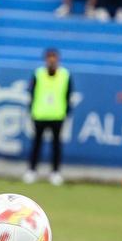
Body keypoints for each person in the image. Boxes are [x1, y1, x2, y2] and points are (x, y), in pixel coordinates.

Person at [24, 48, 71, 186]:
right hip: (40, 114)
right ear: (45, 59)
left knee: (56, 146)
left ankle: (55, 172)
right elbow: (31, 93)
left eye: (54, 57)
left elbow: (68, 95)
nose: (51, 60)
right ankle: (31, 171)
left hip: (57, 115)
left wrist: (66, 112)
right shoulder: (38, 73)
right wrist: (32, 111)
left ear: (58, 59)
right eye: (49, 58)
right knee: (36, 145)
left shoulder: (65, 75)